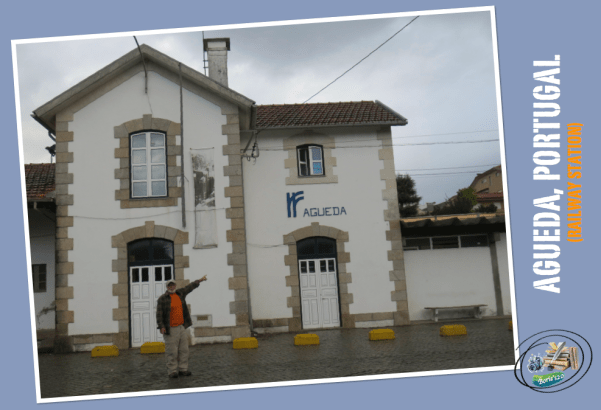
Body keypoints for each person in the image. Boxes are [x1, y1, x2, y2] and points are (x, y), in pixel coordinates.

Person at [156, 275, 207, 378]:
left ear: (175, 285)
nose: (171, 287)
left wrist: (199, 280)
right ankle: (172, 371)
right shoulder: (162, 299)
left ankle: (183, 369)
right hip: (170, 329)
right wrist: (161, 326)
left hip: (181, 327)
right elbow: (159, 314)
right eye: (169, 286)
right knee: (172, 351)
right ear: (167, 287)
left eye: (173, 285)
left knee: (184, 349)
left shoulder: (180, 293)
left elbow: (189, 287)